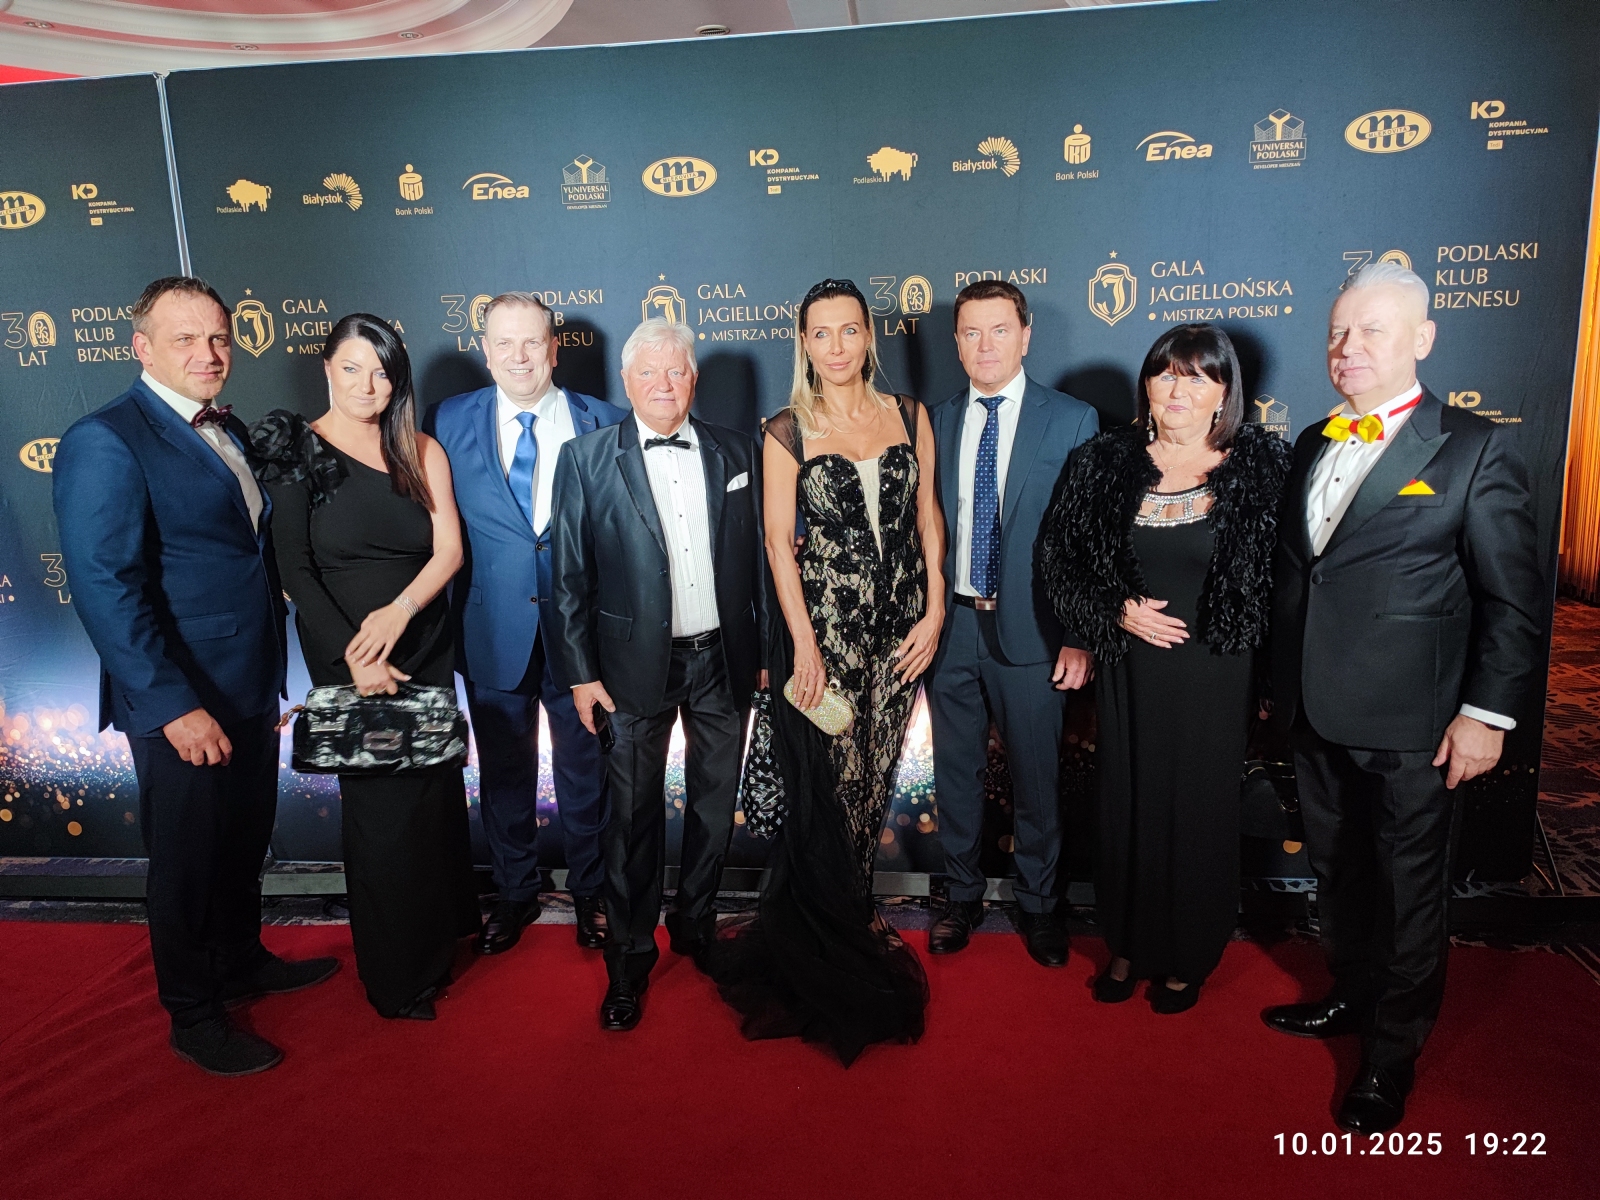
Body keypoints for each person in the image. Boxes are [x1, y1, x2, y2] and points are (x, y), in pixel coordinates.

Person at [1264, 261, 1543, 1132]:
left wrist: (1486, 715)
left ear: (1423, 338)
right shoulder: (1313, 439)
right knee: (1339, 872)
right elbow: (1305, 576)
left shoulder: (1474, 447)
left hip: (1415, 723)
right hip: (1314, 709)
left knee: (1410, 892)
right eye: (1337, 331)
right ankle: (1351, 994)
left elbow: (1513, 599)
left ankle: (1391, 1057)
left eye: (1371, 330)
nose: (1347, 347)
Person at [52, 276, 338, 1077]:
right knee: (185, 861)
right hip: (179, 695)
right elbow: (105, 586)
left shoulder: (227, 426)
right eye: (185, 339)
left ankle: (241, 961)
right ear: (142, 348)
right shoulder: (106, 439)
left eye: (218, 337)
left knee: (241, 840)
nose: (208, 354)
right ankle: (194, 1012)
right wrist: (173, 705)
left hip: (246, 682)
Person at [708, 278, 941, 1065]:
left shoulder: (909, 415)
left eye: (848, 331)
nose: (836, 346)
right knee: (835, 786)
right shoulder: (785, 431)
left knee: (876, 777)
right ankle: (837, 923)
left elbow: (927, 516)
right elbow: (780, 546)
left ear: (868, 336)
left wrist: (935, 610)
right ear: (803, 343)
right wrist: (803, 646)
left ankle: (858, 907)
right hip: (830, 640)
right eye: (821, 333)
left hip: (902, 634)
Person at [1040, 324, 1291, 1012]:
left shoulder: (1262, 464)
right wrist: (1115, 611)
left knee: (1199, 814)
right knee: (1128, 806)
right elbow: (1060, 560)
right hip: (1130, 671)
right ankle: (1127, 944)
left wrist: (1274, 682)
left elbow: (1286, 581)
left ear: (1225, 392)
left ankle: (1189, 955)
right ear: (1147, 385)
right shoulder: (1103, 461)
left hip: (1218, 674)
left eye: (1199, 376)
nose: (1179, 389)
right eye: (1166, 373)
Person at [253, 313, 480, 1021]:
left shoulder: (420, 448)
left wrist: (401, 614)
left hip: (422, 645)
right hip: (349, 656)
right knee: (383, 822)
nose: (366, 385)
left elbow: (449, 550)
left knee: (431, 803)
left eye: (381, 373)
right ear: (326, 369)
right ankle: (397, 979)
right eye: (351, 369)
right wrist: (357, 657)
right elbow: (295, 569)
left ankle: (441, 941)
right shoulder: (297, 448)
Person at [547, 318, 765, 1032]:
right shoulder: (585, 458)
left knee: (713, 808)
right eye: (649, 372)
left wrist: (765, 652)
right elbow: (567, 577)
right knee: (631, 822)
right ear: (626, 381)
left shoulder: (739, 450)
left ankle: (696, 925)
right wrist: (580, 675)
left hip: (722, 659)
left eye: (676, 371)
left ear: (693, 379)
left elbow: (761, 563)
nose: (664, 385)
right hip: (628, 669)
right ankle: (629, 962)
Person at [424, 292, 623, 955]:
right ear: (485, 351)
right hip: (491, 631)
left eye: (532, 341)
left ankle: (592, 890)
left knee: (586, 772)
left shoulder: (606, 422)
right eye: (504, 343)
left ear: (554, 349)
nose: (519, 357)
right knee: (504, 773)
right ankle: (515, 892)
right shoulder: (446, 420)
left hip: (583, 639)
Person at [923, 280, 1099, 965]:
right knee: (954, 774)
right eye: (971, 332)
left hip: (1036, 630)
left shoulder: (1071, 419)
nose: (985, 345)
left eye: (999, 330)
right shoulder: (934, 421)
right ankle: (961, 896)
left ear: (1026, 336)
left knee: (1036, 779)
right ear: (956, 342)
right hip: (952, 628)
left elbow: (1087, 537)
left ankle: (1040, 904)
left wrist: (1079, 633)